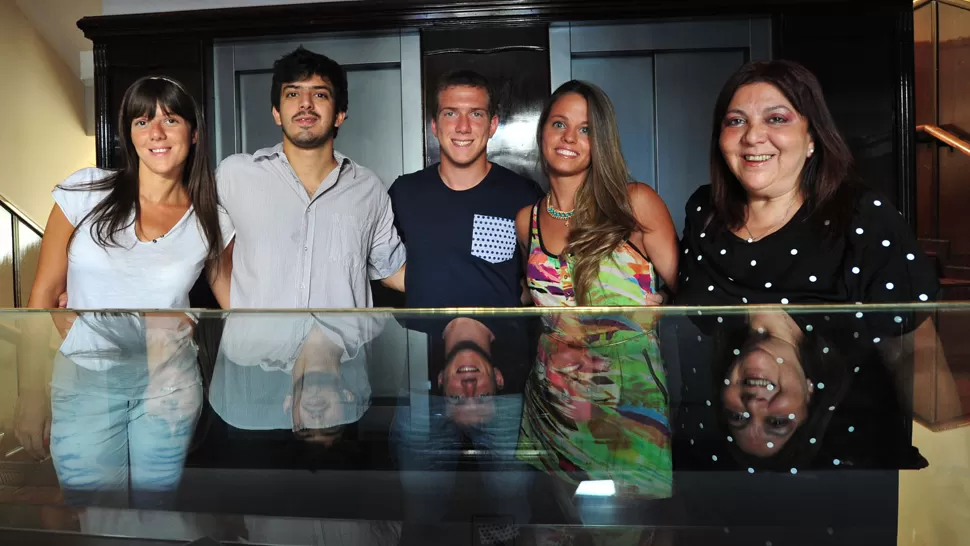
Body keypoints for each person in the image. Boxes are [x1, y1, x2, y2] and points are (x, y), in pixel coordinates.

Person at [16, 76, 233, 506]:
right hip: (84, 381)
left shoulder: (212, 220)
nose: (155, 132)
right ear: (128, 134)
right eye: (141, 121)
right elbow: (42, 299)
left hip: (169, 383)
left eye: (170, 119)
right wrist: (30, 394)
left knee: (158, 514)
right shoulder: (85, 190)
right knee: (99, 519)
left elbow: (240, 309)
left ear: (193, 132)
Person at [513, 81, 678, 546]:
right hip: (553, 398)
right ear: (542, 132)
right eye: (559, 124)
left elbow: (691, 293)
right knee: (560, 530)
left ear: (600, 140)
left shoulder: (635, 203)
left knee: (619, 533)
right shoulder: (526, 218)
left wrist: (663, 303)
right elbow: (534, 294)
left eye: (585, 130)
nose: (568, 138)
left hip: (627, 401)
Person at [676, 60, 939, 315]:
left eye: (777, 119)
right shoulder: (704, 210)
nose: (753, 136)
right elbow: (684, 296)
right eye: (736, 121)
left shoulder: (862, 216)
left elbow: (914, 347)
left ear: (812, 136)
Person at [213, 46, 405, 309]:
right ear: (276, 112)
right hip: (253, 350)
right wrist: (241, 323)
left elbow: (391, 270)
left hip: (341, 350)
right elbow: (212, 257)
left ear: (339, 115)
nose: (305, 103)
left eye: (320, 94)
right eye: (292, 93)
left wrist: (472, 283)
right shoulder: (233, 175)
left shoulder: (369, 188)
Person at [389, 70, 542, 309]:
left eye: (476, 114)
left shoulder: (523, 195)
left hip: (502, 344)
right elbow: (379, 267)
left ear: (492, 126)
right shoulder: (404, 191)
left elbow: (541, 282)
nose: (463, 127)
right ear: (434, 126)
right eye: (450, 113)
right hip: (422, 343)